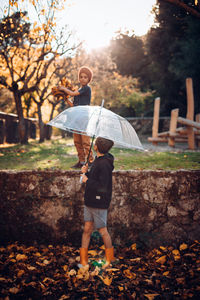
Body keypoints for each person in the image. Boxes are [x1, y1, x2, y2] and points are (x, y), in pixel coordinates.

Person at [79, 136, 115, 269]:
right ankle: (83, 261)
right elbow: (95, 178)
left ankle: (110, 259)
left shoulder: (104, 163)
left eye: (94, 143)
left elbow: (103, 186)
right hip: (89, 201)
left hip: (99, 202)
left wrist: (87, 180)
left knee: (102, 230)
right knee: (87, 229)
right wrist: (86, 172)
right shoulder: (98, 160)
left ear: (96, 147)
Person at [57, 66, 94, 168]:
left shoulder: (86, 89)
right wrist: (65, 98)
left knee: (85, 141)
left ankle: (90, 160)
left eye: (85, 77)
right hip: (76, 118)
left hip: (84, 117)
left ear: (89, 79)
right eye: (81, 77)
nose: (83, 79)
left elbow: (73, 93)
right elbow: (74, 105)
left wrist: (64, 88)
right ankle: (81, 161)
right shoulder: (80, 89)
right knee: (77, 141)